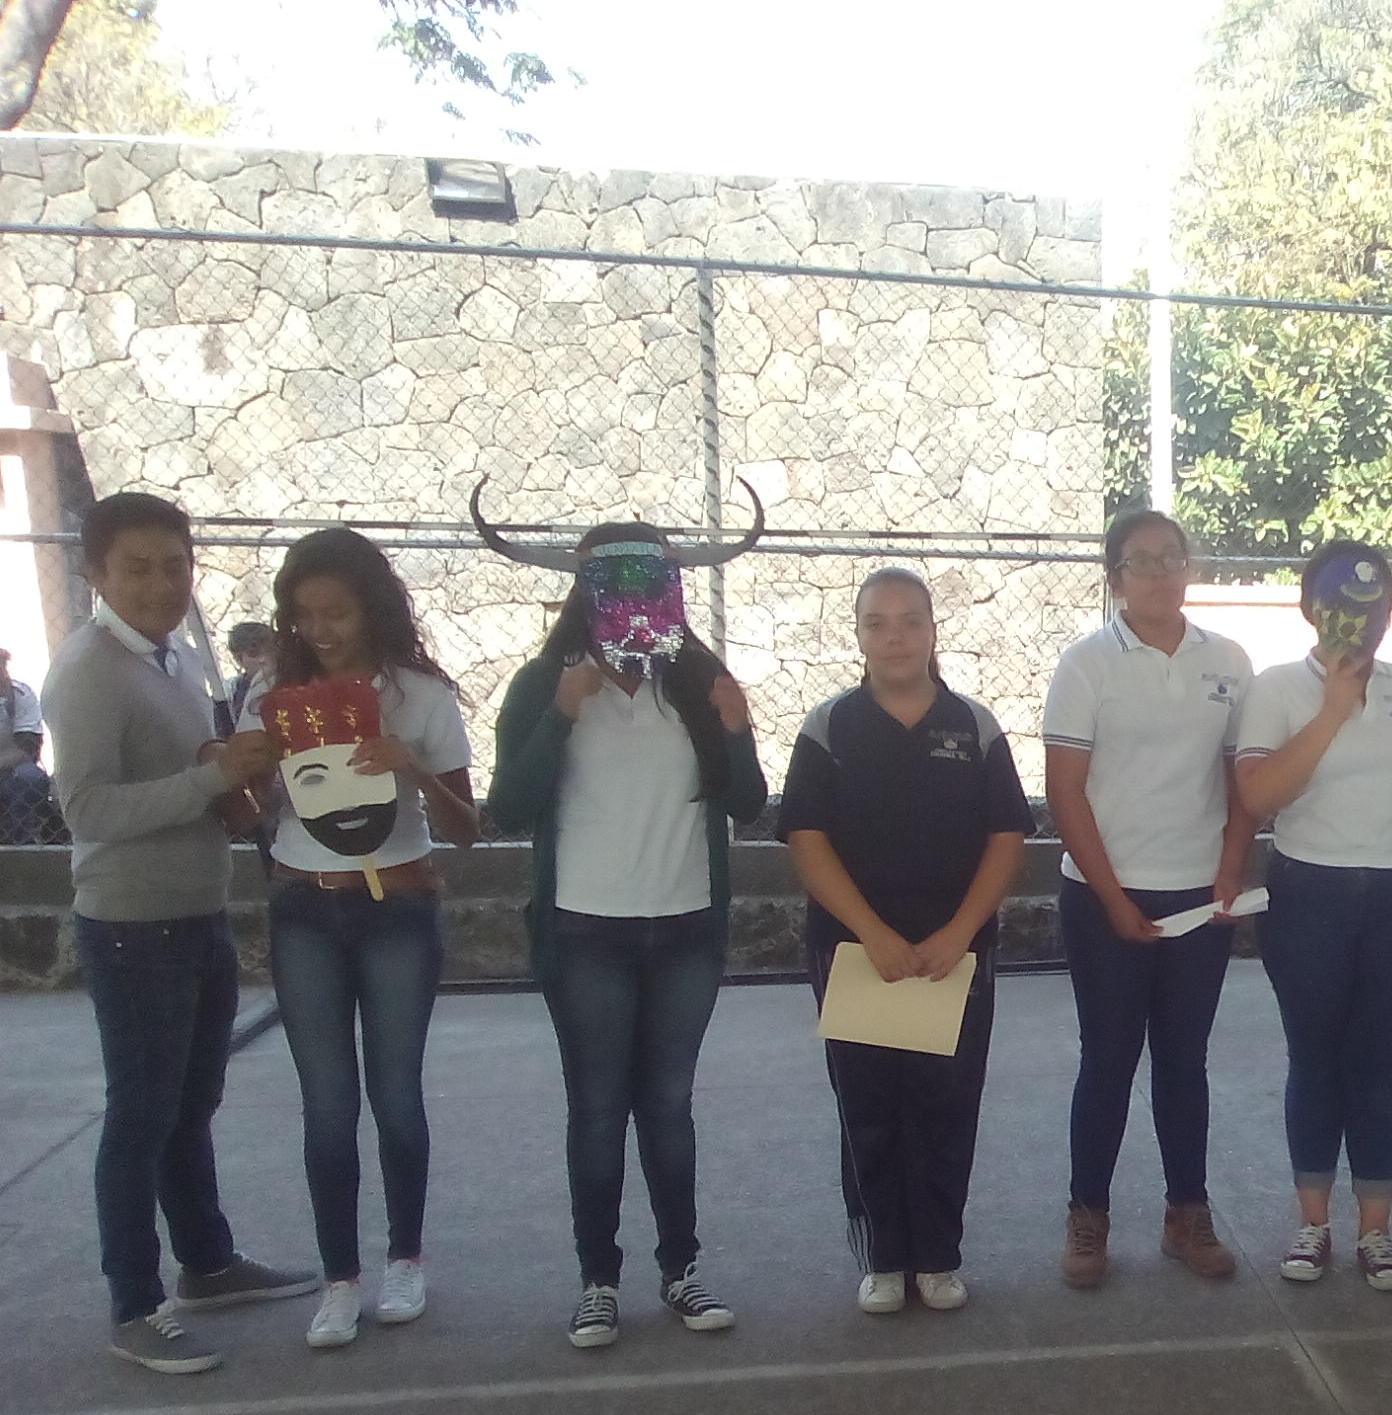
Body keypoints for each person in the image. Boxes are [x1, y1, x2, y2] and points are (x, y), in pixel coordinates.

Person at [40, 492, 314, 1373]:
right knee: (142, 1115)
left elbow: (191, 776)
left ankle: (207, 1262)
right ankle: (134, 1303)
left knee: (189, 1105)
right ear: (96, 574)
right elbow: (86, 810)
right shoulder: (88, 671)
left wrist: (232, 784)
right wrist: (211, 783)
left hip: (195, 914)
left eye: (175, 565)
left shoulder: (170, 657)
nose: (162, 584)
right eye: (137, 568)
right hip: (133, 927)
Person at [484, 513, 767, 1349]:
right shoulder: (546, 683)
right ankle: (598, 1282)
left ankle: (682, 1268)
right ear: (585, 591)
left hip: (685, 927)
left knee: (670, 1105)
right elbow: (509, 808)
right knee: (599, 1108)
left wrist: (737, 728)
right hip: (586, 932)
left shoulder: (700, 682)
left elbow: (748, 803)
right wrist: (561, 715)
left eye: (655, 582)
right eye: (615, 584)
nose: (636, 601)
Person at [238, 530, 478, 1350]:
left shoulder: (420, 694)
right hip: (304, 908)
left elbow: (468, 829)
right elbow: (244, 814)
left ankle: (404, 1258)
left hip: (398, 907)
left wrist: (411, 767)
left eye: (335, 612)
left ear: (372, 607)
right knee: (327, 1102)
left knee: (396, 1093)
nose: (320, 630)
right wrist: (247, 767)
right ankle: (338, 1278)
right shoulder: (272, 691)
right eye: (303, 616)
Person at [782, 568, 1031, 1314]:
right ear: (858, 635)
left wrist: (959, 933)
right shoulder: (828, 728)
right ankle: (885, 1258)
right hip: (857, 954)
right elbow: (806, 838)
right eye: (877, 623)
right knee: (867, 1105)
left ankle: (938, 1258)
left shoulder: (975, 726)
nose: (895, 637)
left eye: (910, 621)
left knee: (946, 1103)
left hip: (955, 954)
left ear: (932, 630)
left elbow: (1006, 836)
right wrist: (873, 935)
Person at [1233, 541, 1392, 1290]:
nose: (1358, 620)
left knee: (1378, 1065)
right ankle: (1313, 1226)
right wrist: (1333, 710)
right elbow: (1258, 795)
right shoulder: (1276, 688)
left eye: (1375, 606)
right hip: (1310, 895)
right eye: (1340, 603)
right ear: (1309, 607)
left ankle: (1377, 1232)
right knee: (1314, 1059)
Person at [1043, 509, 1255, 1288]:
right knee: (1107, 1058)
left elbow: (1242, 778)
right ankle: (1088, 1216)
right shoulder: (1086, 665)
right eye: (1142, 561)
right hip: (1104, 895)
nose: (1161, 572)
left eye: (1173, 557)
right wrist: (1112, 898)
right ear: (1115, 579)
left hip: (1200, 896)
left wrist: (1229, 869)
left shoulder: (1229, 660)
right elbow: (1065, 792)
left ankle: (1186, 1215)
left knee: (1184, 1060)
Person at [0, 638, 61, 844]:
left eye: (5, 669)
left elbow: (28, 750)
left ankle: (17, 844)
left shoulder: (19, 695)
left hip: (5, 772)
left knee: (30, 779)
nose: (4, 677)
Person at [223, 620, 273, 727]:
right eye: (254, 654)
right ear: (239, 658)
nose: (263, 659)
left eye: (269, 652)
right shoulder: (231, 692)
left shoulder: (288, 683)